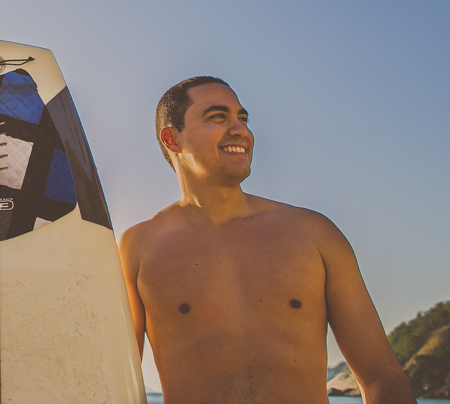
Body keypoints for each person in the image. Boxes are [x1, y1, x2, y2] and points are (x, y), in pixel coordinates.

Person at [118, 77, 415, 404]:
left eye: (242, 119)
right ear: (172, 139)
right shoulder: (139, 249)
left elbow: (379, 376)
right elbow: (117, 385)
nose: (240, 130)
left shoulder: (313, 234)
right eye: (218, 117)